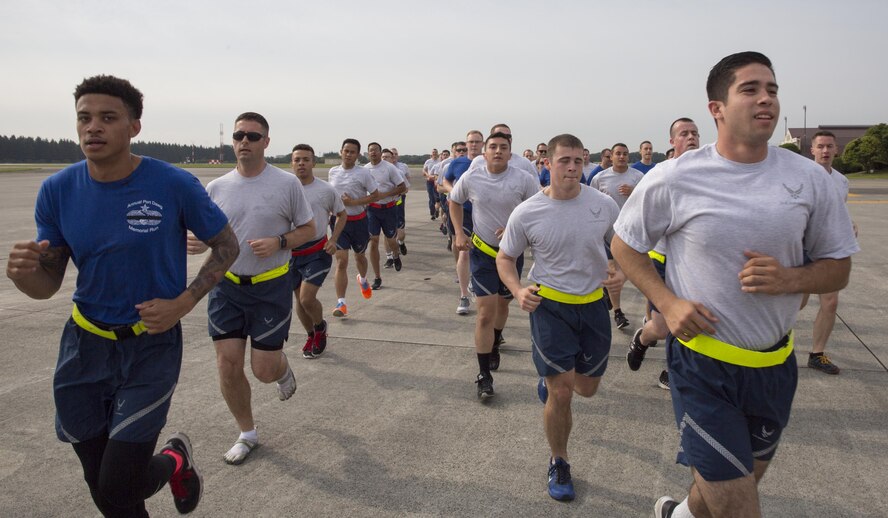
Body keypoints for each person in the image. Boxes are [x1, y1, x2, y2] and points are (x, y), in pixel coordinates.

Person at [611, 51, 858, 518]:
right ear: (717, 108)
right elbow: (625, 246)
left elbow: (838, 268)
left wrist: (791, 278)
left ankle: (676, 515)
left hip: (774, 366)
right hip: (703, 366)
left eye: (772, 89)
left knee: (731, 483)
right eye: (750, 90)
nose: (766, 99)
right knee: (740, 507)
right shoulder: (677, 176)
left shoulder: (809, 179)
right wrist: (666, 301)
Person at [6, 75, 239, 516]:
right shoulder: (57, 190)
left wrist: (183, 304)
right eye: (84, 118)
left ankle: (174, 459)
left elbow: (228, 246)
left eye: (107, 118)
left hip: (150, 346)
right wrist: (24, 276)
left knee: (117, 485)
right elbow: (48, 284)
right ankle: (171, 465)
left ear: (134, 126)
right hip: (84, 347)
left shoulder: (172, 184)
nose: (93, 127)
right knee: (107, 493)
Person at [497, 134, 621, 502]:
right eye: (564, 160)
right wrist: (519, 290)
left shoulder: (603, 204)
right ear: (547, 163)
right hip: (549, 306)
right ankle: (559, 460)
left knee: (586, 388)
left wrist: (622, 270)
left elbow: (624, 245)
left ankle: (550, 385)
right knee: (562, 393)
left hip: (594, 305)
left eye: (578, 161)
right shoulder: (528, 211)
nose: (571, 167)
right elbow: (505, 258)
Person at [195, 112, 315, 466]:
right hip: (227, 287)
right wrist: (199, 243)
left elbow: (309, 229)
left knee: (262, 370)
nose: (244, 141)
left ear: (266, 141)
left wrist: (280, 241)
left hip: (270, 287)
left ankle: (281, 369)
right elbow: (211, 236)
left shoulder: (286, 184)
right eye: (239, 135)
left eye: (252, 135)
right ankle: (247, 433)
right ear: (232, 142)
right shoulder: (216, 188)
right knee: (228, 364)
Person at [449, 131, 540, 399]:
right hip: (482, 251)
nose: (498, 151)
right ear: (484, 152)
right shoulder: (472, 176)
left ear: (510, 152)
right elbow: (454, 201)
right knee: (485, 313)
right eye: (493, 147)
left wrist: (515, 227)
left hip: (511, 254)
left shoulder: (523, 178)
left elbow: (537, 208)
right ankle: (483, 375)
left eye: (503, 147)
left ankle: (496, 339)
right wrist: (458, 232)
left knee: (502, 305)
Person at [625, 118, 700, 390]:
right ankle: (642, 339)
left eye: (695, 133)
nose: (691, 137)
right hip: (662, 259)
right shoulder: (661, 174)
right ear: (672, 142)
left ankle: (672, 371)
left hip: (694, 263)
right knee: (662, 326)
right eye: (684, 134)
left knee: (688, 320)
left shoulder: (710, 174)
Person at [799, 130, 859, 374]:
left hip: (827, 250)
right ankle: (774, 343)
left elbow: (838, 213)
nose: (825, 151)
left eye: (829, 146)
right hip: (801, 248)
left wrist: (848, 225)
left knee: (831, 302)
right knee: (796, 304)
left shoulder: (842, 181)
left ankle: (817, 353)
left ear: (836, 150)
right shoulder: (800, 176)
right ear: (812, 150)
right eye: (820, 146)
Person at [290, 144, 347, 359]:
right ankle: (310, 334)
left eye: (306, 159)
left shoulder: (325, 189)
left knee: (306, 299)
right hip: (291, 254)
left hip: (317, 251)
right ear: (292, 163)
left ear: (314, 163)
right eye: (297, 160)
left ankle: (320, 327)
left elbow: (342, 215)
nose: (301, 163)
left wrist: (333, 239)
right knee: (299, 301)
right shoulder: (285, 188)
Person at [589, 143, 644, 329]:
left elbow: (647, 201)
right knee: (613, 271)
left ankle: (609, 296)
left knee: (629, 269)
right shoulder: (599, 178)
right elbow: (592, 202)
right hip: (607, 232)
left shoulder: (638, 177)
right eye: (618, 154)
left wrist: (634, 192)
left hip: (631, 232)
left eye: (625, 154)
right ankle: (619, 312)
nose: (622, 157)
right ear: (610, 156)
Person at [327, 138, 380, 317]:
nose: (348, 154)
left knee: (360, 257)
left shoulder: (363, 173)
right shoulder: (332, 172)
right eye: (346, 151)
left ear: (357, 155)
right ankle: (341, 303)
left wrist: (354, 202)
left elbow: (375, 196)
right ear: (340, 152)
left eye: (352, 152)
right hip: (339, 222)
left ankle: (363, 279)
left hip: (359, 221)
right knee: (341, 261)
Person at [441, 134, 477, 315]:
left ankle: (476, 280)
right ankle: (464, 296)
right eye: (470, 142)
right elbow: (445, 181)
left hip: (486, 214)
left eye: (477, 142)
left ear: (483, 144)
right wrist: (453, 192)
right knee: (463, 250)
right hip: (464, 212)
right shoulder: (457, 163)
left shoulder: (490, 162)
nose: (473, 145)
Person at [364, 143, 407, 289]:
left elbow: (403, 187)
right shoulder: (364, 169)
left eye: (376, 150)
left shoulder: (389, 168)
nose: (373, 153)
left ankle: (395, 254)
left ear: (380, 152)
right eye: (371, 151)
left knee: (391, 240)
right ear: (368, 153)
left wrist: (384, 195)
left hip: (389, 209)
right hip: (372, 210)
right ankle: (377, 277)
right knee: (374, 241)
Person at [469, 123, 539, 177]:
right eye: (500, 135)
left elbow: (536, 188)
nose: (505, 138)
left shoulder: (524, 163)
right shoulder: (478, 162)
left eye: (508, 136)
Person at [423, 148, 441, 220]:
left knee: (438, 197)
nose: (434, 153)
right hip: (430, 181)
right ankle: (432, 213)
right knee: (431, 197)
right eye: (433, 152)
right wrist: (428, 175)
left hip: (437, 181)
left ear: (437, 153)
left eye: (435, 152)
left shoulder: (440, 161)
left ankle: (437, 209)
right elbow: (424, 170)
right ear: (431, 153)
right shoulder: (428, 161)